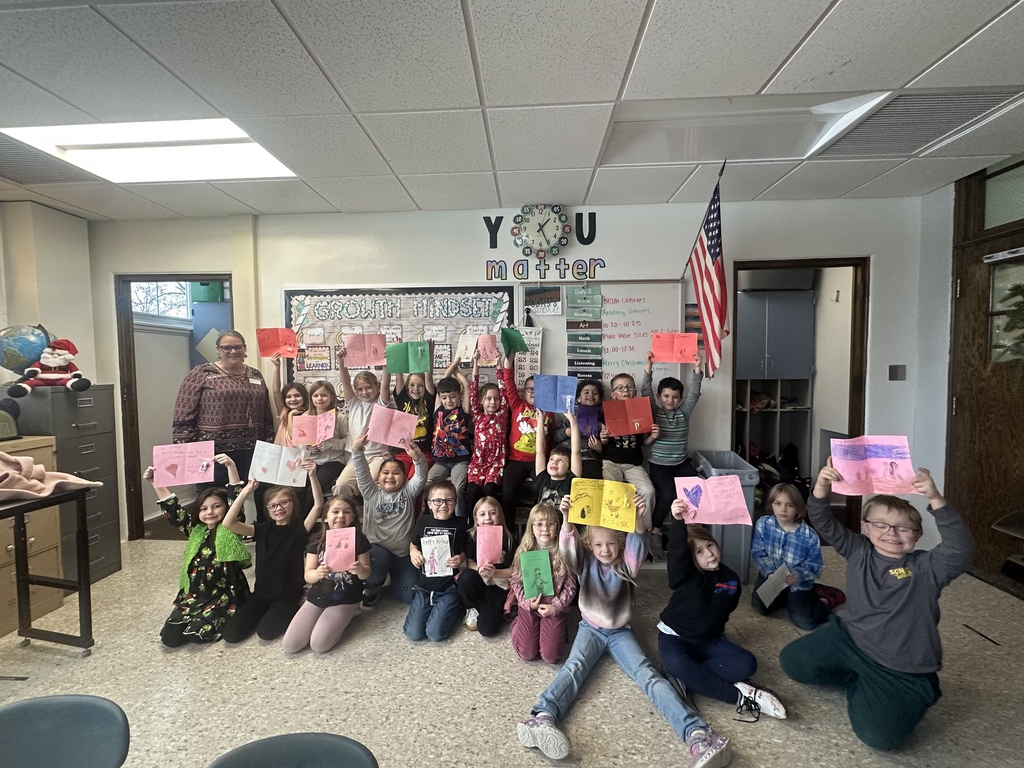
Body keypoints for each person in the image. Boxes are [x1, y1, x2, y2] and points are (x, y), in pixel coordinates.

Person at [516, 494, 732, 768]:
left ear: (620, 544)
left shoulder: (626, 564)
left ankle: (698, 735)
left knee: (648, 676)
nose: (605, 550)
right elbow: (570, 551)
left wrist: (639, 519)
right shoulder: (585, 563)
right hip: (590, 628)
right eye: (598, 545)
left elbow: (637, 546)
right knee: (573, 668)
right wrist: (568, 518)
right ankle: (542, 715)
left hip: (620, 632)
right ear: (590, 546)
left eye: (611, 544)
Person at [779, 460, 973, 751]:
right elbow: (822, 521)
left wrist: (935, 498)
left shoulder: (927, 568)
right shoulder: (859, 549)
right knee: (792, 660)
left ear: (917, 536)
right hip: (850, 639)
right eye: (880, 524)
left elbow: (961, 548)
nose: (891, 533)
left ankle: (884, 688)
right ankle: (858, 677)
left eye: (903, 528)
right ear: (865, 528)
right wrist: (821, 486)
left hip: (901, 667)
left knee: (879, 738)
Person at [658, 509, 787, 723]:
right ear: (690, 559)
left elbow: (726, 610)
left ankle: (690, 678)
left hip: (709, 641)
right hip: (674, 637)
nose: (709, 553)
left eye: (710, 545)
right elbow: (677, 554)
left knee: (747, 664)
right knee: (677, 662)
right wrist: (678, 519)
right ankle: (739, 696)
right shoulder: (685, 575)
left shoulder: (731, 578)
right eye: (699, 552)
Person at [143, 454, 251, 647]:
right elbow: (175, 512)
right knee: (170, 638)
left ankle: (206, 620)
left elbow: (236, 499)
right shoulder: (195, 530)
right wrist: (156, 482)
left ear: (227, 509)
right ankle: (194, 617)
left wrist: (232, 467)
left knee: (198, 635)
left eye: (216, 506)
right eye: (204, 508)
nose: (209, 512)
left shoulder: (231, 527)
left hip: (224, 595)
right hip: (194, 595)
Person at [220, 463, 323, 643]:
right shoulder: (261, 529)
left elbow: (318, 506)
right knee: (231, 635)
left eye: (284, 503)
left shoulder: (300, 529)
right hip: (261, 593)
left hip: (288, 593)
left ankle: (298, 603)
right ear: (267, 510)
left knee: (266, 633)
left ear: (293, 503)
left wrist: (312, 475)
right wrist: (246, 491)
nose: (278, 508)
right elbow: (229, 523)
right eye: (272, 506)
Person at [171, 330, 273, 486]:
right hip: (212, 453)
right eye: (227, 347)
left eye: (238, 347)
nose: (233, 351)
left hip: (251, 451)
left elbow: (265, 413)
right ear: (218, 350)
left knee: (245, 497)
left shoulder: (256, 375)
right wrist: (187, 453)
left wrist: (268, 443)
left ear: (245, 349)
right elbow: (183, 414)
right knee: (215, 502)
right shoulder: (201, 373)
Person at [282, 494, 370, 654]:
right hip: (318, 596)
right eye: (335, 512)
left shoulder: (359, 539)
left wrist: (360, 570)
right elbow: (307, 575)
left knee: (319, 645)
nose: (341, 516)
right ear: (326, 518)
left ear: (352, 517)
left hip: (346, 598)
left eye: (347, 512)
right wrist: (317, 573)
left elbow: (366, 573)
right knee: (290, 645)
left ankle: (352, 612)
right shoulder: (316, 540)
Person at [750, 483, 843, 630]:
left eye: (790, 505)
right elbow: (758, 552)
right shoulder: (763, 524)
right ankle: (788, 597)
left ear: (798, 508)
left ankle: (824, 599)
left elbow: (815, 565)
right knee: (761, 607)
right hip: (771, 576)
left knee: (806, 623)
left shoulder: (809, 536)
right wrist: (769, 573)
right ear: (771, 505)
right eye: (778, 503)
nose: (783, 509)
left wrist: (798, 575)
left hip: (797, 581)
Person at [352, 427, 428, 608]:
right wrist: (357, 450)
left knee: (408, 597)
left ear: (403, 478)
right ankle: (372, 587)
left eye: (396, 473)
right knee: (380, 559)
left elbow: (421, 476)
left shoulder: (409, 492)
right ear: (378, 477)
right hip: (376, 551)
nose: (390, 476)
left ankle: (394, 575)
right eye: (386, 472)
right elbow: (361, 471)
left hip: (403, 553)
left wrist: (418, 459)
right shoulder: (371, 492)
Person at [642, 350, 703, 555]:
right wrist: (648, 368)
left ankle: (690, 530)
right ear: (660, 397)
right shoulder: (654, 411)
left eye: (675, 397)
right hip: (659, 465)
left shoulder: (684, 412)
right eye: (666, 396)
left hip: (681, 463)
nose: (670, 400)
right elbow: (646, 391)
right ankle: (656, 531)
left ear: (680, 398)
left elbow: (695, 392)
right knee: (667, 494)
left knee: (696, 491)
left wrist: (697, 369)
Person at [508, 502, 578, 664]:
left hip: (554, 606)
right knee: (527, 654)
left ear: (557, 527)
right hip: (530, 605)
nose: (545, 529)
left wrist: (557, 607)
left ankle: (550, 626)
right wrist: (526, 603)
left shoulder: (564, 552)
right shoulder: (525, 551)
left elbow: (571, 586)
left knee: (551, 656)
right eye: (539, 524)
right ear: (531, 528)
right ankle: (517, 624)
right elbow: (516, 581)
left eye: (550, 524)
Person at [405, 481, 469, 642]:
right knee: (413, 634)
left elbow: (466, 551)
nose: (443, 505)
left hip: (448, 586)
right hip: (424, 586)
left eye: (449, 500)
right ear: (430, 504)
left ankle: (456, 605)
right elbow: (413, 543)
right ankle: (431, 607)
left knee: (435, 634)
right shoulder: (422, 522)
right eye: (437, 501)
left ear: (455, 503)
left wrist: (460, 558)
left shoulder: (461, 524)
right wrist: (413, 553)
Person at [499, 350, 553, 522]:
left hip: (538, 461)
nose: (534, 392)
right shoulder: (517, 404)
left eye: (538, 389)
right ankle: (509, 533)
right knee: (507, 495)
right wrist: (509, 358)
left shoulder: (550, 412)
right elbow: (508, 381)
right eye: (530, 389)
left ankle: (540, 529)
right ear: (524, 391)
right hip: (515, 460)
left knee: (546, 493)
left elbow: (550, 439)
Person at [332, 345, 391, 500]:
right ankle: (350, 515)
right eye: (360, 389)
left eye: (368, 388)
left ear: (376, 387)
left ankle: (370, 516)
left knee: (369, 484)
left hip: (378, 455)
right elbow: (345, 383)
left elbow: (385, 385)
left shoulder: (381, 403)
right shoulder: (354, 404)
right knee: (341, 486)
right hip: (356, 456)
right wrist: (341, 362)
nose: (364, 392)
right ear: (356, 391)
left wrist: (386, 365)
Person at [598, 371, 655, 530]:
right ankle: (614, 530)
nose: (625, 391)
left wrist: (653, 436)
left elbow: (644, 441)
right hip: (611, 463)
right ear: (613, 394)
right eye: (620, 388)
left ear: (635, 392)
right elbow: (603, 442)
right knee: (612, 492)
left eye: (630, 387)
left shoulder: (641, 411)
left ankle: (644, 530)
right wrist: (603, 437)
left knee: (648, 491)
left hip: (633, 465)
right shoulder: (606, 412)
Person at [457, 496, 515, 635]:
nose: (488, 518)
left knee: (488, 630)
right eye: (482, 514)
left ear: (500, 515)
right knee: (465, 577)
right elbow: (469, 561)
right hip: (480, 579)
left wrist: (495, 572)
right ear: (476, 519)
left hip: (498, 586)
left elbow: (514, 570)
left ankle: (490, 610)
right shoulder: (473, 536)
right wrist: (479, 569)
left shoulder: (509, 538)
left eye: (493, 513)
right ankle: (472, 607)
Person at [426, 359, 472, 517]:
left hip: (460, 460)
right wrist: (451, 368)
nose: (448, 401)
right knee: (427, 484)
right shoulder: (438, 409)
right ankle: (432, 517)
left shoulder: (463, 411)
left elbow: (466, 386)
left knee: (458, 487)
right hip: (440, 461)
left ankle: (460, 519)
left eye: (452, 396)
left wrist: (455, 369)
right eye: (444, 397)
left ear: (458, 396)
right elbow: (441, 385)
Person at [465, 350, 509, 513]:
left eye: (496, 399)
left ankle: (494, 526)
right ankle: (472, 526)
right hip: (478, 463)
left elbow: (503, 390)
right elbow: (473, 388)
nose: (493, 402)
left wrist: (499, 365)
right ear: (481, 401)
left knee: (490, 491)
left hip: (496, 464)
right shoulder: (477, 415)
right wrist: (476, 364)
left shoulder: (502, 415)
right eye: (489, 399)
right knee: (472, 492)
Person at [552, 378, 604, 480]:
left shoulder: (601, 419)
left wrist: (599, 448)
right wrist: (566, 432)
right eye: (586, 392)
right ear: (578, 398)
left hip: (589, 458)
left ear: (600, 399)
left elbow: (608, 447)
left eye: (595, 393)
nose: (591, 395)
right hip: (567, 457)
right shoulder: (569, 415)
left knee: (592, 481)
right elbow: (555, 436)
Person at [305, 380, 349, 497]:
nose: (320, 398)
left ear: (332, 397)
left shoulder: (339, 418)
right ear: (311, 398)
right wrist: (307, 447)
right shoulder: (305, 417)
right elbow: (298, 443)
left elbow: (348, 441)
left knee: (314, 489)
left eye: (324, 395)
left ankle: (309, 515)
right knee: (298, 488)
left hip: (333, 461)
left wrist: (331, 444)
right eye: (316, 395)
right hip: (311, 461)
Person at [392, 369, 436, 479]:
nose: (416, 389)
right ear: (407, 387)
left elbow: (429, 377)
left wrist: (430, 353)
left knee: (413, 479)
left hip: (423, 453)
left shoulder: (429, 400)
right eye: (412, 385)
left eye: (420, 385)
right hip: (404, 452)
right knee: (398, 477)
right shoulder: (402, 400)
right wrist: (395, 357)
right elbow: (399, 377)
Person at [535, 409, 582, 508]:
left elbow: (576, 452)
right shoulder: (543, 480)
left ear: (569, 468)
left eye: (561, 460)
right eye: (551, 459)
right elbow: (540, 452)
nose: (554, 462)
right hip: (544, 522)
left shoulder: (572, 481)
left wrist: (573, 422)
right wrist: (540, 421)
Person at [270, 352, 310, 448]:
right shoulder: (284, 413)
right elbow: (276, 391)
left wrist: (291, 415)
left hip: (300, 458)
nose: (293, 399)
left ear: (304, 397)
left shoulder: (309, 414)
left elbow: (294, 438)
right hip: (282, 457)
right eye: (288, 397)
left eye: (297, 395)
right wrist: (277, 367)